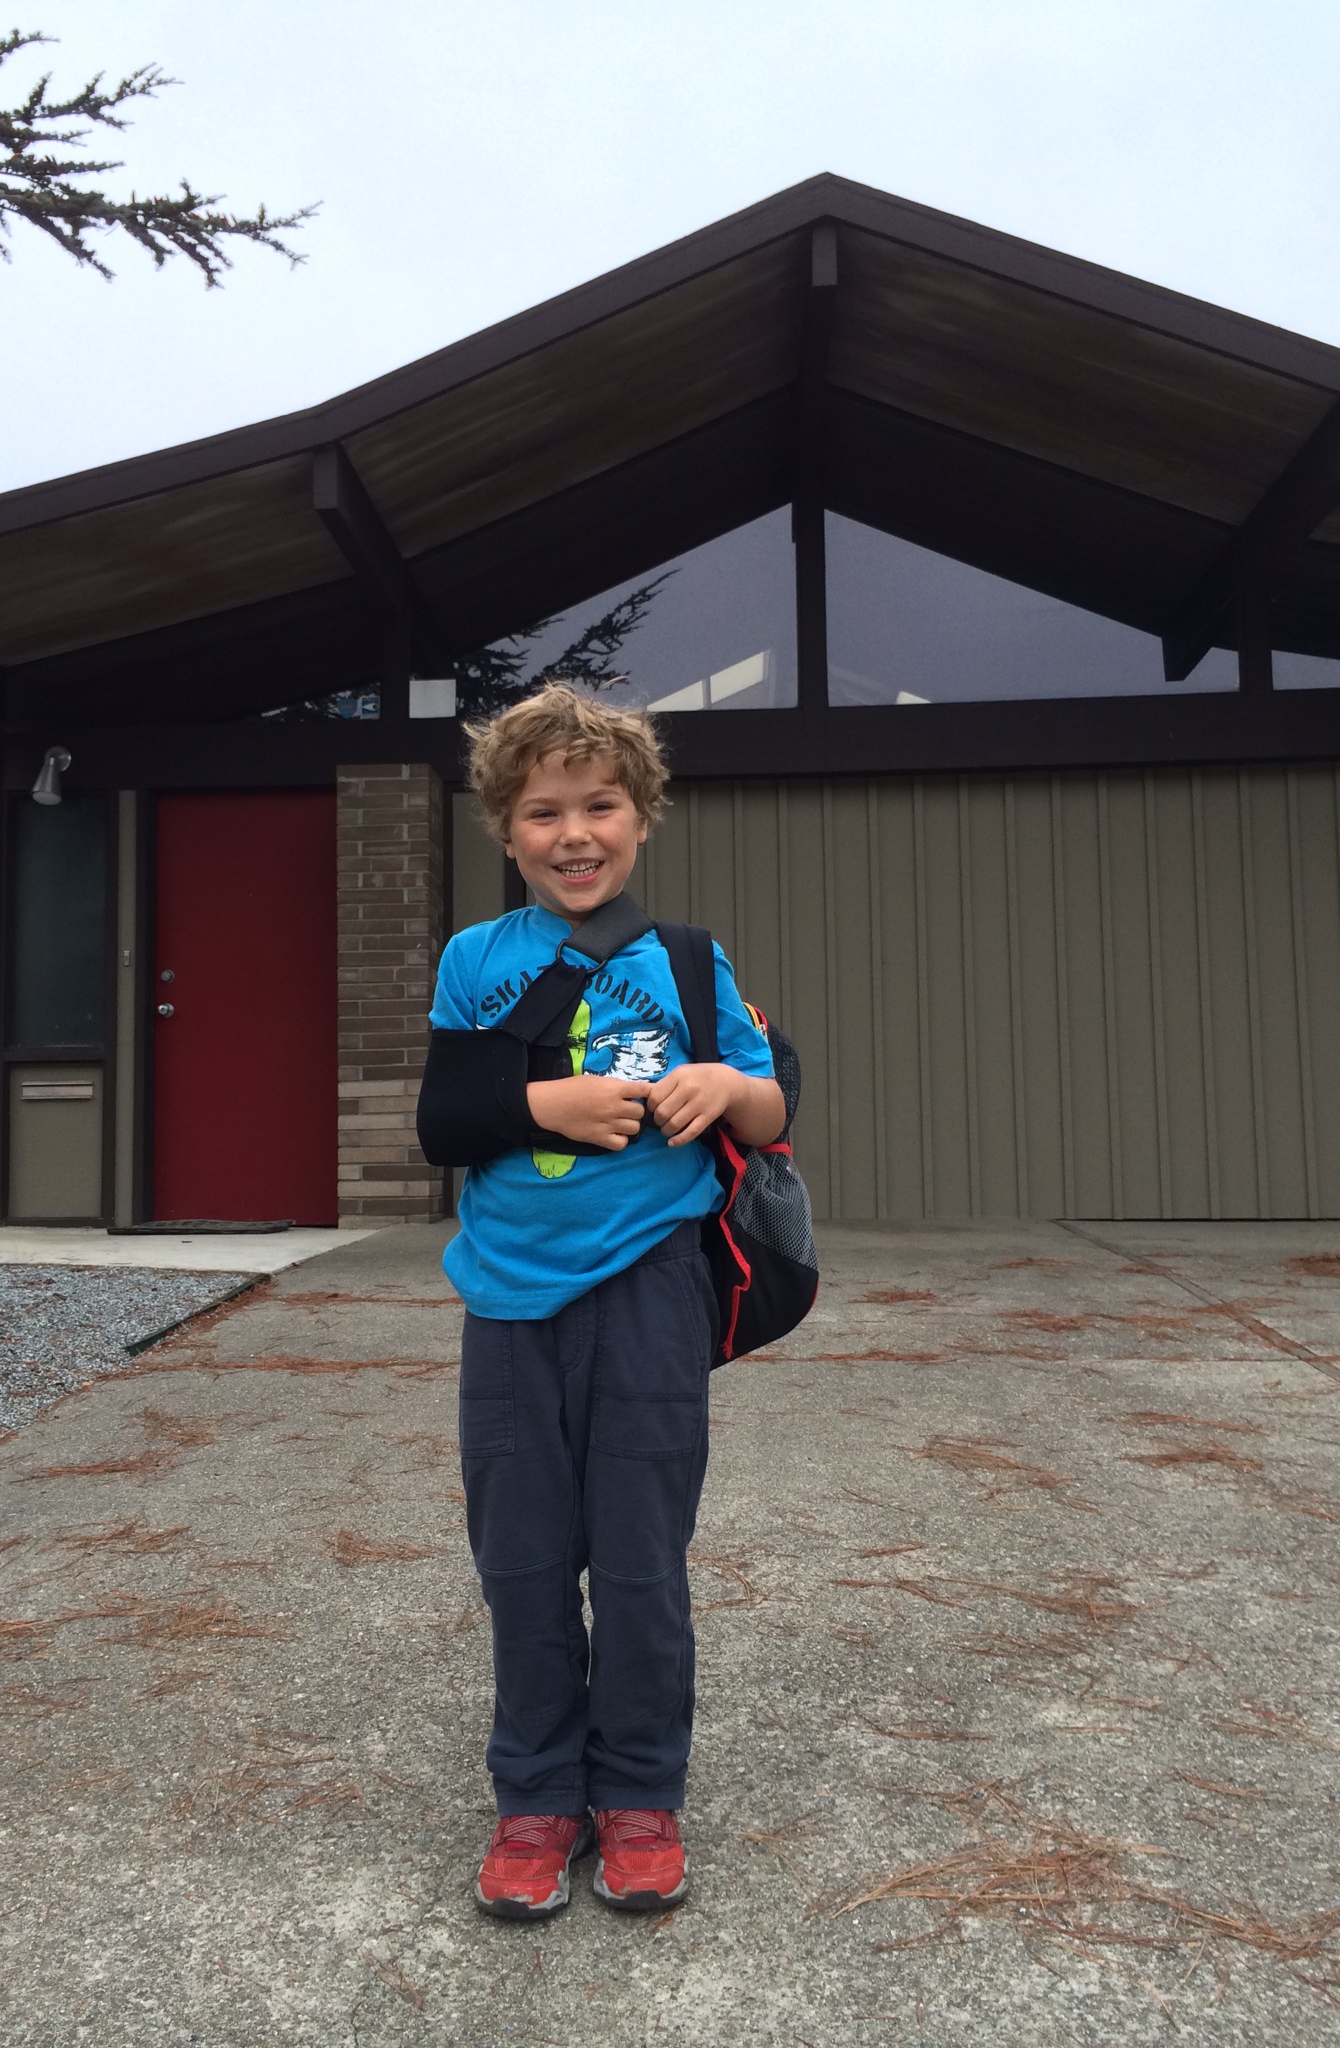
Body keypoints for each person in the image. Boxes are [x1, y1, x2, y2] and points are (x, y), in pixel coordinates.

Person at [425, 684, 785, 1919]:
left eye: (600, 805)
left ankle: (638, 1791)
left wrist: (719, 1087)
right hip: (509, 1301)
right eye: (544, 811)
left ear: (640, 817)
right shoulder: (476, 958)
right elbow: (443, 1119)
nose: (574, 833)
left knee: (639, 1558)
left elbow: (770, 1104)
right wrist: (546, 1105)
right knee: (522, 1558)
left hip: (650, 1291)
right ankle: (535, 1795)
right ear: (505, 828)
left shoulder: (685, 958)